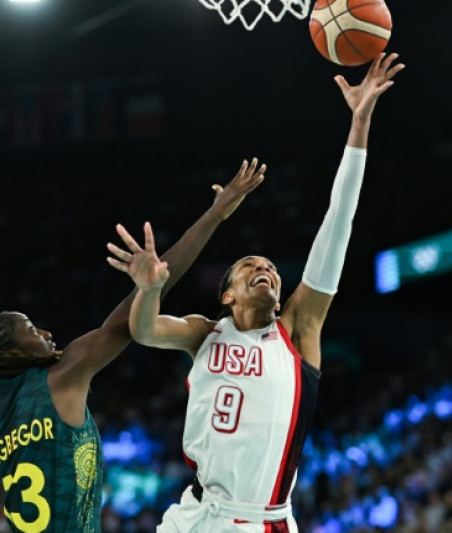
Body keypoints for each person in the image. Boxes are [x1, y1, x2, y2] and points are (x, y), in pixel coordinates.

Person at [0, 157, 267, 532]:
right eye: (30, 328)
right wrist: (213, 217)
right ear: (10, 352)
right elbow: (145, 297)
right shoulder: (62, 376)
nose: (45, 332)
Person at [105, 52, 404, 532]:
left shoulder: (298, 330)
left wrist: (359, 124)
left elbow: (339, 219)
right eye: (250, 266)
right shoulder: (203, 334)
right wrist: (150, 288)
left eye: (270, 268)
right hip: (193, 516)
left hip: (262, 522)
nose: (264, 268)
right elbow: (142, 330)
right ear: (227, 295)